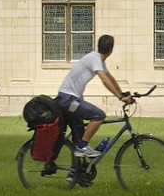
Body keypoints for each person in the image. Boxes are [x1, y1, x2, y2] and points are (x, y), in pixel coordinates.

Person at [51, 34, 133, 169]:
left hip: (69, 99)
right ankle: (83, 147)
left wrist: (122, 94)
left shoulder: (97, 59)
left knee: (78, 137)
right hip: (68, 99)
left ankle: (75, 174)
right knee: (98, 115)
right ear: (111, 50)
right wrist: (120, 97)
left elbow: (110, 78)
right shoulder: (94, 59)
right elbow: (105, 80)